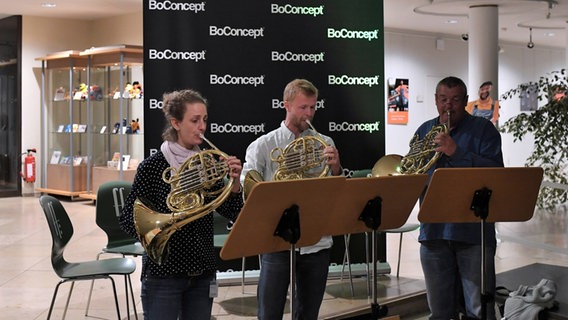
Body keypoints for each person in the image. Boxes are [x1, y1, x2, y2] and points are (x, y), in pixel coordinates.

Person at [119, 89, 244, 320]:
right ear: (176, 123)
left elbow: (233, 211)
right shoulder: (152, 167)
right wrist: (162, 226)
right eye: (194, 120)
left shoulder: (208, 163)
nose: (202, 127)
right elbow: (129, 219)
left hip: (202, 269)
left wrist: (234, 184)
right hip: (164, 272)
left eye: (204, 120)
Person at [241, 79, 343, 320]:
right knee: (270, 313)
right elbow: (249, 189)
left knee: (309, 313)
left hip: (316, 238)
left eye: (312, 107)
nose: (309, 114)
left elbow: (334, 189)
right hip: (276, 240)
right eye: (303, 107)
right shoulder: (263, 145)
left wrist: (336, 167)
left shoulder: (325, 142)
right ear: (286, 105)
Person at [415, 76, 503, 319]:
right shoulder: (424, 130)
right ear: (435, 100)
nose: (448, 106)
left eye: (455, 100)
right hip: (433, 231)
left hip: (472, 232)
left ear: (465, 101)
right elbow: (414, 173)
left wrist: (456, 152)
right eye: (443, 100)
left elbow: (496, 172)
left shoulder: (483, 130)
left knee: (479, 310)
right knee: (439, 311)